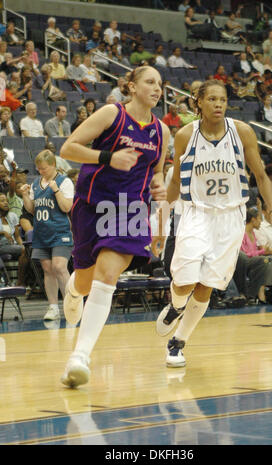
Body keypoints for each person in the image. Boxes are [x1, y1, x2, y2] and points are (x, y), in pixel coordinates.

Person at [152, 79, 272, 368]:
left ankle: (178, 342)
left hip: (231, 216)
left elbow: (261, 176)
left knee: (207, 285)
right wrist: (161, 226)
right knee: (184, 280)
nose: (219, 104)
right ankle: (176, 306)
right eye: (213, 99)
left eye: (223, 100)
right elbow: (177, 180)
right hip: (196, 212)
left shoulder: (241, 132)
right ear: (199, 102)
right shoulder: (185, 135)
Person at [59, 65, 169, 388]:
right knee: (85, 280)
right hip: (92, 204)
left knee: (108, 275)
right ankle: (73, 289)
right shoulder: (112, 114)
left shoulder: (160, 131)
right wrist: (108, 157)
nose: (157, 88)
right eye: (150, 81)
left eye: (160, 84)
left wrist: (160, 191)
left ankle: (79, 357)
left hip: (130, 210)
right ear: (131, 87)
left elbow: (157, 173)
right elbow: (68, 149)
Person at [21, 150, 74, 321]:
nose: (40, 171)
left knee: (59, 267)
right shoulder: (36, 183)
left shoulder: (64, 182)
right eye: (39, 169)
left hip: (60, 232)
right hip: (42, 233)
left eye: (43, 168)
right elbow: (31, 209)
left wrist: (56, 190)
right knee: (47, 270)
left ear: (53, 165)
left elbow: (67, 207)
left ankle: (70, 305)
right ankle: (53, 307)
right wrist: (24, 195)